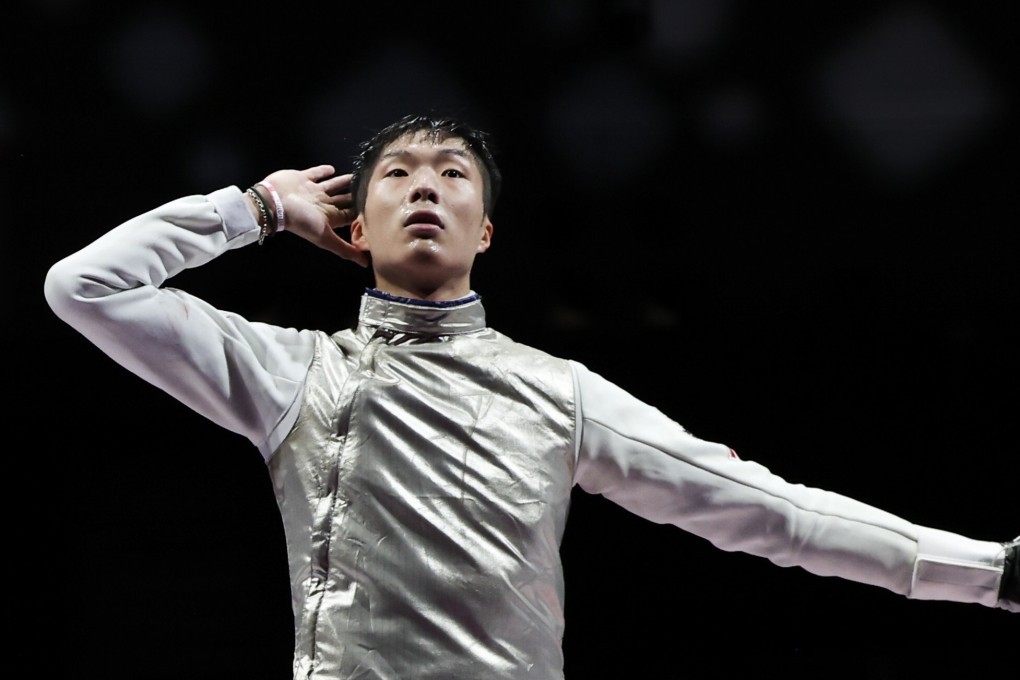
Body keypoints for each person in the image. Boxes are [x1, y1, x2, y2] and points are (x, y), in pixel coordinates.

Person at [44, 114, 1017, 679]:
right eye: (397, 174)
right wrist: (254, 209)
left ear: (485, 231)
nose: (425, 187)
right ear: (354, 228)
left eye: (452, 173)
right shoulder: (293, 372)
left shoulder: (560, 394)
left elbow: (770, 512)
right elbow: (84, 287)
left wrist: (995, 573)